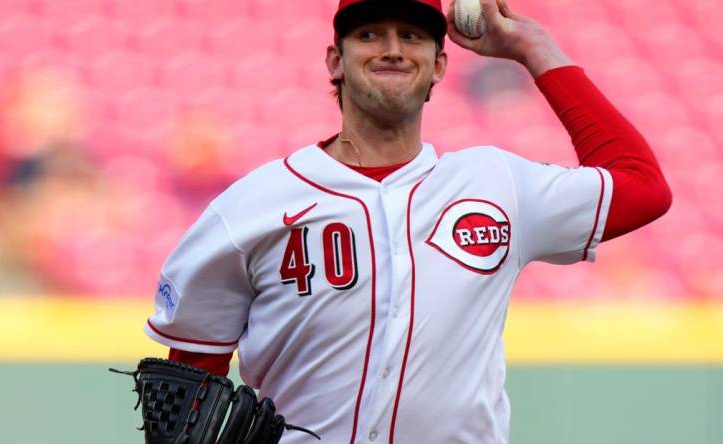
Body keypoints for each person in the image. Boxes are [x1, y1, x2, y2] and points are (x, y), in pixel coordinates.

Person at [143, 0, 672, 442]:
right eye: (370, 34)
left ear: (440, 64)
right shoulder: (250, 207)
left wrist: (534, 50)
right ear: (335, 60)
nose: (392, 49)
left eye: (412, 36)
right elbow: (190, 374)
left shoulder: (498, 186)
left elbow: (644, 187)